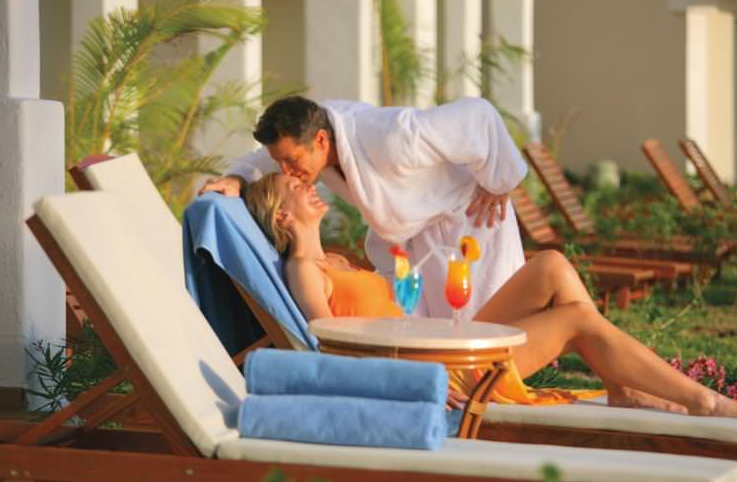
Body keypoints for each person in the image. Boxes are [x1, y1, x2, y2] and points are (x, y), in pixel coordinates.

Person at [243, 171, 737, 421]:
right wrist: (410, 385)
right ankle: (704, 401)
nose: (310, 185)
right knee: (577, 320)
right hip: (443, 372)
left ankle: (622, 387)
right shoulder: (304, 270)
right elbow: (329, 348)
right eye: (296, 187)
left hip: (443, 347)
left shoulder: (336, 261)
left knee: (551, 265)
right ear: (282, 215)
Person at [199, 95, 527, 321]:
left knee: (485, 322)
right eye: (280, 161)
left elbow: (478, 114)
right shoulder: (312, 135)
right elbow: (263, 159)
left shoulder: (394, 137)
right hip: (419, 238)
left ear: (321, 140)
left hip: (472, 217)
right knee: (443, 329)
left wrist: (499, 181)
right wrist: (235, 179)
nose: (286, 170)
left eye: (291, 160)